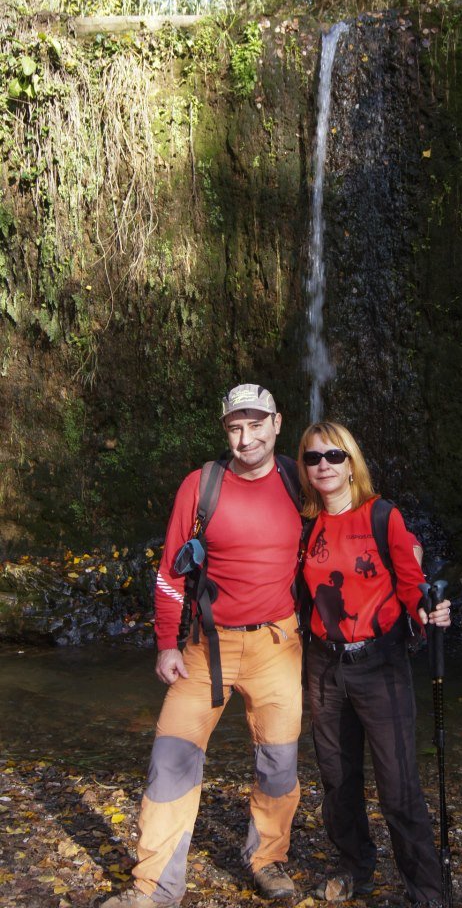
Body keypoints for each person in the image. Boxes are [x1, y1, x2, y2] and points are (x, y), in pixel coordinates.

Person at [103, 384, 303, 908]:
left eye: (256, 424)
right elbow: (171, 573)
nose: (246, 437)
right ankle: (156, 886)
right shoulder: (201, 485)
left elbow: (347, 523)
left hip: (278, 645)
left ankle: (268, 860)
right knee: (172, 756)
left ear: (277, 424)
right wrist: (166, 643)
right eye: (236, 427)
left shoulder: (298, 479)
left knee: (278, 761)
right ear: (225, 431)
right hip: (206, 646)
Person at [297, 421, 452, 908]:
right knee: (338, 779)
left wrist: (428, 605)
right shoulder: (305, 525)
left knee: (399, 784)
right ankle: (355, 868)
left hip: (379, 662)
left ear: (351, 463)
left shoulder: (383, 516)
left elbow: (411, 580)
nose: (324, 465)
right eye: (313, 458)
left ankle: (426, 892)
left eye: (334, 456)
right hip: (323, 663)